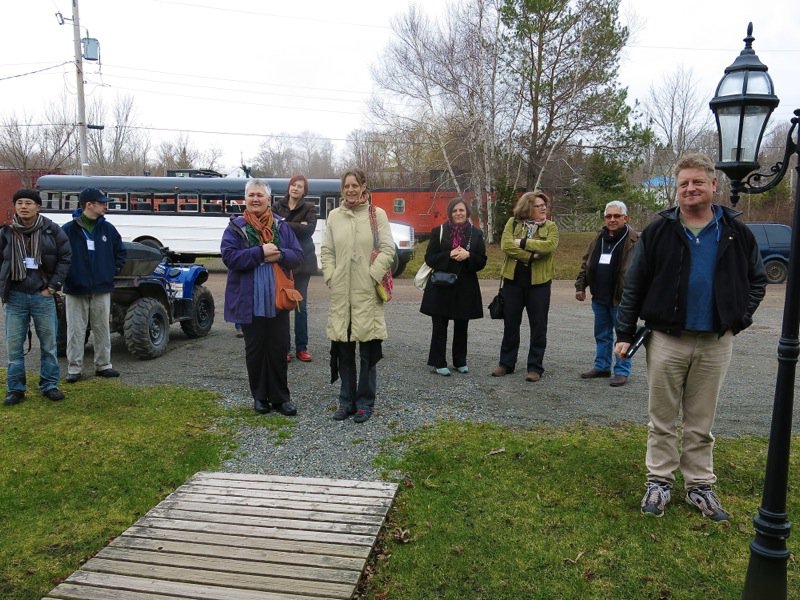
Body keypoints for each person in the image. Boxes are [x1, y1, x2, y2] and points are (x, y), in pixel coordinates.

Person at [614, 153, 767, 521]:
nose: (690, 188)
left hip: (715, 341)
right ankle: (659, 482)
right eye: (684, 183)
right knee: (662, 418)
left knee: (701, 420)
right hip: (667, 338)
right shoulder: (659, 231)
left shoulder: (735, 232)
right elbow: (635, 284)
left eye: (698, 182)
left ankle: (699, 484)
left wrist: (738, 318)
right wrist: (623, 332)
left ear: (714, 185)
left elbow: (757, 280)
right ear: (677, 189)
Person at [222, 178, 303, 416]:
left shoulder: (281, 226)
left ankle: (281, 398)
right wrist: (259, 252)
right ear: (245, 200)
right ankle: (260, 397)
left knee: (278, 349)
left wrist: (277, 255)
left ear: (269, 200)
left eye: (260, 195)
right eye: (251, 195)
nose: (255, 199)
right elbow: (229, 257)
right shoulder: (235, 228)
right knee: (255, 350)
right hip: (249, 301)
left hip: (277, 299)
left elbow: (297, 256)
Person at [321, 169, 394, 423]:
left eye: (355, 185)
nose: (350, 190)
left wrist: (372, 275)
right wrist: (331, 275)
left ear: (364, 186)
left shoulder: (377, 215)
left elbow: (388, 249)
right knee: (343, 350)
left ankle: (365, 402)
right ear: (342, 189)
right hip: (342, 294)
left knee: (367, 352)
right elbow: (327, 250)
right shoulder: (334, 217)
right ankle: (345, 401)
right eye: (346, 186)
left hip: (366, 294)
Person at [0, 189, 71, 405]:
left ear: (37, 207)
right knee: (14, 347)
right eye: (19, 202)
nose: (24, 206)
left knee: (49, 345)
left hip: (43, 296)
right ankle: (15, 389)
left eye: (28, 203)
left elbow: (65, 258)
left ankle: (49, 385)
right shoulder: (6, 232)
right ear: (15, 206)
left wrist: (52, 288)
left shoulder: (52, 230)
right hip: (16, 297)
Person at [492, 191, 559, 382]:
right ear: (528, 208)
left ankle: (535, 367)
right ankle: (506, 363)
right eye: (538, 206)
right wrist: (530, 256)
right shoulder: (512, 223)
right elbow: (506, 246)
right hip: (513, 283)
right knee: (510, 324)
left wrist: (521, 242)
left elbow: (549, 246)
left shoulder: (551, 227)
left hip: (539, 284)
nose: (543, 208)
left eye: (544, 205)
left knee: (538, 325)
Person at [62, 188, 127, 383]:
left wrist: (110, 271)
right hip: (76, 289)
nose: (105, 206)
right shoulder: (68, 229)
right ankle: (74, 368)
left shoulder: (108, 229)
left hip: (101, 288)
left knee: (102, 328)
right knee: (75, 330)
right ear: (89, 205)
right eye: (101, 203)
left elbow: (120, 253)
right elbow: (60, 256)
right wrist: (68, 277)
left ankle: (103, 365)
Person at [420, 197, 487, 376]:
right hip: (441, 285)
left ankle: (460, 361)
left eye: (462, 210)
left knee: (462, 325)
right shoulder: (439, 231)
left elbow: (482, 261)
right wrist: (448, 254)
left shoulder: (476, 234)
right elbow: (429, 258)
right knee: (439, 325)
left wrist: (468, 255)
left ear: (467, 213)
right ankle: (438, 361)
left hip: (465, 287)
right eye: (455, 211)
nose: (459, 213)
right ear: (450, 213)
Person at [575, 200, 639, 387]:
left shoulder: (635, 240)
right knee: (602, 334)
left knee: (623, 336)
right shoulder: (598, 238)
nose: (612, 219)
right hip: (600, 297)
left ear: (625, 218)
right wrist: (580, 286)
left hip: (622, 298)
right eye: (608, 216)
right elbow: (586, 262)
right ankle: (602, 366)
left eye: (616, 216)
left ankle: (621, 371)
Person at [273, 174, 318, 363]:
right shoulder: (277, 206)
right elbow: (273, 228)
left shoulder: (309, 208)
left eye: (300, 186)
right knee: (282, 306)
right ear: (289, 187)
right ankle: (284, 348)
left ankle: (302, 347)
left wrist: (284, 224)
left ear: (304, 191)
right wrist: (298, 225)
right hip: (282, 261)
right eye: (293, 185)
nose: (296, 188)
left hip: (303, 263)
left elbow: (309, 231)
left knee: (301, 306)